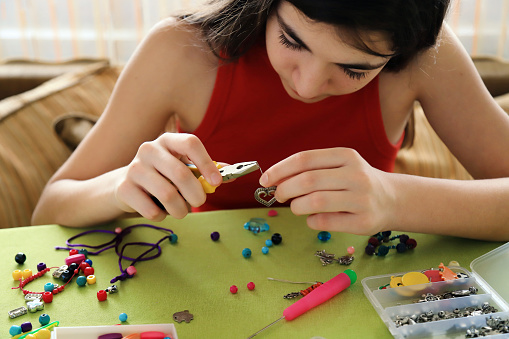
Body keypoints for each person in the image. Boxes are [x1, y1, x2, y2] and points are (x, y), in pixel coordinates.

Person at [32, 0, 509, 241]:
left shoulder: (431, 55)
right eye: (293, 42)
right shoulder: (180, 52)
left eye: (354, 69)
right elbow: (49, 211)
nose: (305, 87)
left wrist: (398, 197)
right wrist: (121, 185)